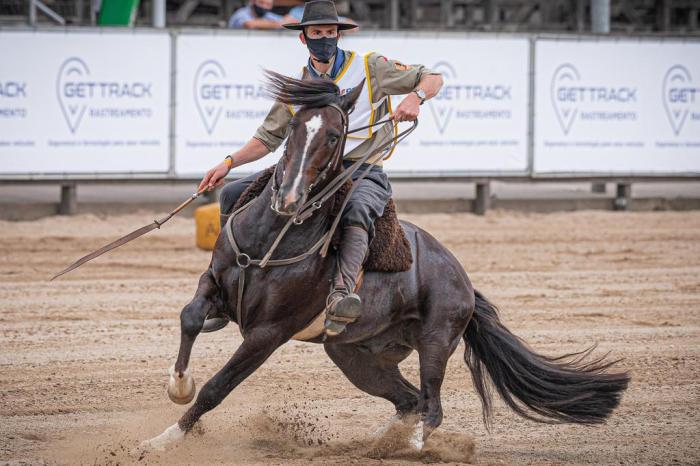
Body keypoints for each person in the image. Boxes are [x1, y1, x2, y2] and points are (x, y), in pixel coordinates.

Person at [201, 0, 443, 336]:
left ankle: (341, 294)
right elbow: (267, 138)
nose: (325, 38)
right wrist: (228, 163)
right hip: (309, 171)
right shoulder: (298, 86)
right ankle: (220, 288)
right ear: (305, 39)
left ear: (338, 35)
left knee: (358, 209)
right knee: (231, 194)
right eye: (318, 32)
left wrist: (416, 96)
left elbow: (433, 78)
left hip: (360, 169)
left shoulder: (371, 67)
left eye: (330, 32)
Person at [227, 0, 296, 30]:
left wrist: (287, 21)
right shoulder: (241, 13)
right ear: (253, 1)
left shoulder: (268, 15)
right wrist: (280, 24)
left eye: (268, 5)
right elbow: (249, 24)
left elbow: (292, 23)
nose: (264, 7)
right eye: (261, 3)